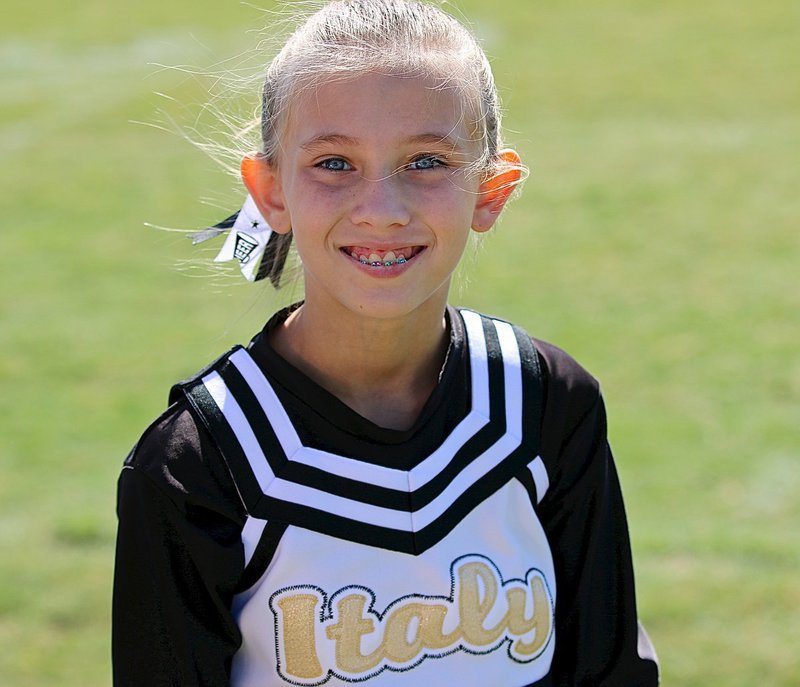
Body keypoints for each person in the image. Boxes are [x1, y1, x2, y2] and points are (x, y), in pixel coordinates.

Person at [112, 1, 660, 685]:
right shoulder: (203, 460)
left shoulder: (544, 404)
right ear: (270, 189)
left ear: (491, 190)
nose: (382, 208)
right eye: (334, 162)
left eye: (427, 160)